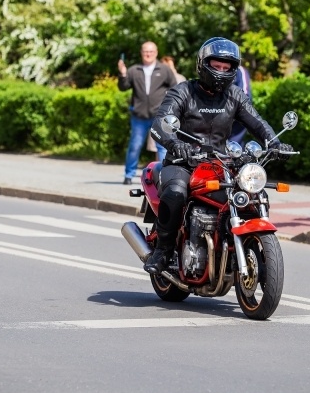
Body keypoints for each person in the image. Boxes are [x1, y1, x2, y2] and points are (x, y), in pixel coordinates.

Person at [143, 37, 293, 274]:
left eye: (226, 67)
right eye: (216, 66)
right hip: (183, 162)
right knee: (175, 193)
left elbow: (257, 123)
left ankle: (233, 244)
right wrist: (175, 143)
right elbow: (159, 124)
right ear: (203, 64)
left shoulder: (234, 95)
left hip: (220, 163)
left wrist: (275, 143)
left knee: (254, 193)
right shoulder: (183, 92)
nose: (221, 72)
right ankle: (163, 250)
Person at [118, 42, 179, 185]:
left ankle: (164, 175)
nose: (148, 54)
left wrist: (170, 108)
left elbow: (175, 88)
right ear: (141, 52)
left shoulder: (164, 69)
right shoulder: (134, 70)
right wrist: (122, 74)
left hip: (159, 116)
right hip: (139, 116)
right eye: (145, 51)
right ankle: (129, 175)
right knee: (135, 146)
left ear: (156, 53)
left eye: (151, 51)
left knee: (163, 146)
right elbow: (123, 87)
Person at [146, 56, 186, 160]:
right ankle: (159, 165)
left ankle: (164, 164)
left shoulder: (180, 78)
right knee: (158, 141)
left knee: (171, 142)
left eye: (169, 65)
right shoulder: (158, 76)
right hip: (159, 112)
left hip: (175, 116)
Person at [228, 64, 252, 143]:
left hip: (237, 115)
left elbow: (245, 95)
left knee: (234, 145)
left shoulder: (240, 71)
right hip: (220, 115)